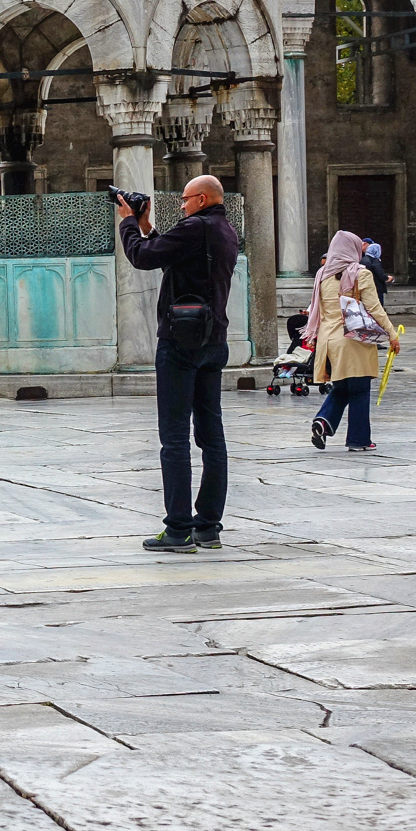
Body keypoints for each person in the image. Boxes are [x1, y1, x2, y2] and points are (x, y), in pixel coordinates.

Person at [117, 174, 241, 554]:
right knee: (211, 436)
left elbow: (143, 257)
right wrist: (146, 226)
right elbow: (170, 253)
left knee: (174, 439)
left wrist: (126, 223)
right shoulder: (225, 230)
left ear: (202, 199)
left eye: (186, 200)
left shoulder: (194, 227)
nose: (182, 205)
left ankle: (178, 529)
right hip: (213, 341)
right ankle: (208, 526)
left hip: (180, 343)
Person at [308, 229, 400, 453]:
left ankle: (323, 421)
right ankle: (359, 439)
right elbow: (374, 307)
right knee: (359, 389)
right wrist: (392, 333)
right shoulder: (360, 274)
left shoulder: (323, 274)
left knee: (342, 386)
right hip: (353, 339)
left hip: (328, 340)